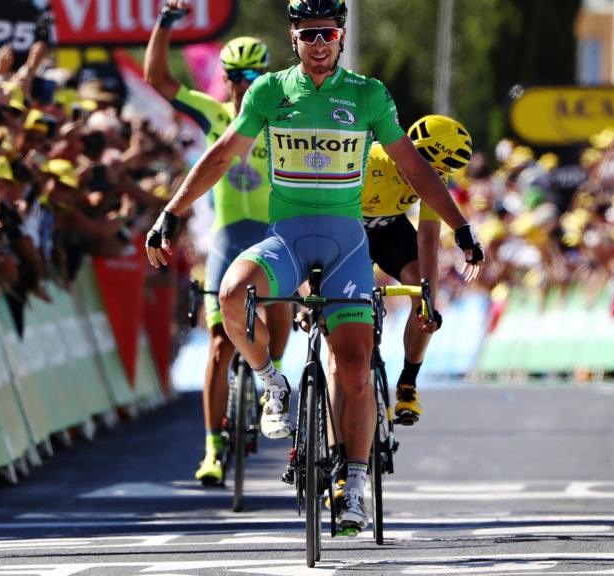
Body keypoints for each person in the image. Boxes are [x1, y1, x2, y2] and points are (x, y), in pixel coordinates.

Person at [146, 0, 484, 533]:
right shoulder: (269, 92)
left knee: (352, 365)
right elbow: (219, 155)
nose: (319, 42)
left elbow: (414, 169)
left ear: (342, 36)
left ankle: (353, 484)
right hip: (286, 240)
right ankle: (268, 380)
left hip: (348, 245)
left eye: (327, 32)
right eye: (308, 34)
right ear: (294, 38)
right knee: (232, 295)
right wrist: (170, 212)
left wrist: (461, 227)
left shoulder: (368, 93)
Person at [144, 0, 292, 486]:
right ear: (225, 77)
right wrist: (165, 25)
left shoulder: (280, 114)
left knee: (281, 312)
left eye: (254, 75)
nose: (244, 84)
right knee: (215, 346)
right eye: (236, 75)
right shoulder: (210, 111)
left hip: (272, 235)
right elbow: (159, 80)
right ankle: (212, 447)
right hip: (229, 237)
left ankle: (273, 383)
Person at [362, 115, 475, 425]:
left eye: (441, 174)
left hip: (390, 231)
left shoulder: (434, 172)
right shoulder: (367, 161)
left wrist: (427, 301)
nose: (432, 178)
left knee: (424, 292)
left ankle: (408, 383)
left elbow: (427, 240)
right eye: (431, 169)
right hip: (351, 231)